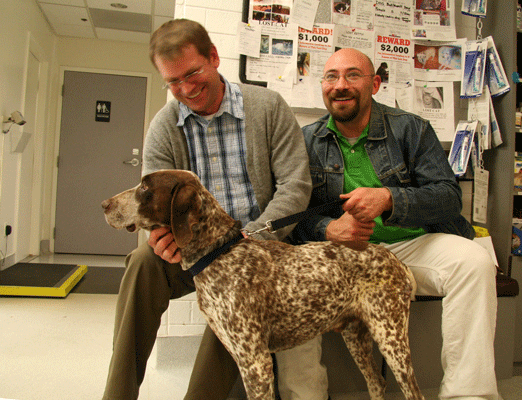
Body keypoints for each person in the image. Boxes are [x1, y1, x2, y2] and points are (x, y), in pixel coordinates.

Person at [102, 19, 328, 400]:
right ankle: (117, 394)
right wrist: (161, 239)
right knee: (142, 262)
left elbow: (295, 185)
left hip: (253, 246)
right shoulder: (164, 126)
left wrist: (254, 236)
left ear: (214, 57)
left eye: (193, 73)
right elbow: (149, 204)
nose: (186, 89)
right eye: (174, 82)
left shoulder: (268, 107)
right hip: (189, 246)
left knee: (235, 287)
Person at [293, 48, 499, 400]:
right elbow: (295, 216)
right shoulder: (305, 140)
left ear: (374, 83)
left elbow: (448, 197)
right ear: (323, 86)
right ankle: (306, 396)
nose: (340, 85)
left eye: (352, 75)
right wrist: (328, 229)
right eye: (331, 77)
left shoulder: (411, 129)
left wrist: (389, 199)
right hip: (343, 257)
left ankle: (469, 395)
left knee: (475, 262)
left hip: (411, 246)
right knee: (293, 283)